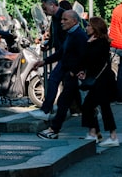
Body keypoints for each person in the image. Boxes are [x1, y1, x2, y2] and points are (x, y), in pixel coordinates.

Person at [37, 9, 88, 139]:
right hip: (70, 74)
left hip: (73, 75)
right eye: (62, 19)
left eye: (65, 19)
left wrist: (74, 71)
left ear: (74, 21)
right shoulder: (71, 34)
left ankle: (54, 129)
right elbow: (61, 52)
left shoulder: (78, 35)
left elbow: (83, 56)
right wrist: (45, 61)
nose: (62, 22)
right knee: (75, 103)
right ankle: (95, 131)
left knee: (64, 102)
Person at [80, 16, 119, 147]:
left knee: (91, 105)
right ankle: (100, 134)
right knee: (99, 106)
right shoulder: (97, 41)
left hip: (102, 80)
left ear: (95, 28)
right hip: (99, 79)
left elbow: (90, 58)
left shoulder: (100, 42)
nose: (86, 28)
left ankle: (103, 135)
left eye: (89, 26)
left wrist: (88, 44)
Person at [33, 0, 67, 119]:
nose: (44, 11)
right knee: (70, 86)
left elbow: (67, 38)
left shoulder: (64, 16)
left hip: (67, 55)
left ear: (52, 5)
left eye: (45, 8)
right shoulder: (54, 18)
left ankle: (46, 110)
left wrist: (46, 60)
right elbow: (55, 36)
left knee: (54, 79)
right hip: (63, 54)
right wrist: (49, 45)